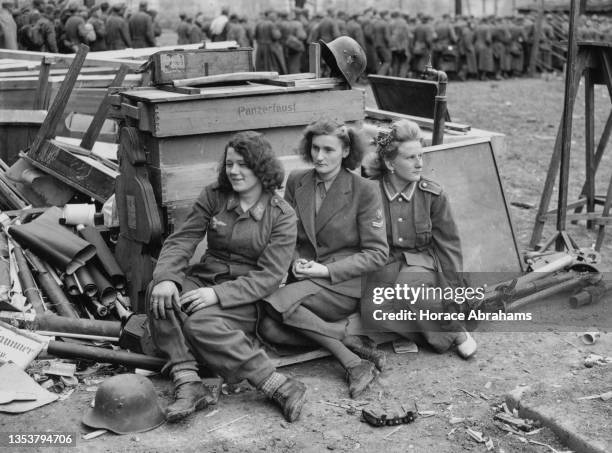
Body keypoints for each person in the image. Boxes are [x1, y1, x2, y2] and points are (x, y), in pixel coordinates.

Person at [148, 131, 306, 423]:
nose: (234, 171)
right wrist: (167, 277)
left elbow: (270, 276)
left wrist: (217, 295)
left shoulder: (282, 215)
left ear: (262, 168)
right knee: (159, 292)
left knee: (199, 324)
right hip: (205, 277)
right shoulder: (215, 195)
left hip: (247, 295)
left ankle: (278, 384)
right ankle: (189, 382)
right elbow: (182, 240)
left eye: (243, 164)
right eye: (230, 163)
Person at [261, 120, 389, 399]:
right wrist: (295, 260)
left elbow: (377, 254)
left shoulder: (364, 189)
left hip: (343, 284)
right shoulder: (297, 180)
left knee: (273, 303)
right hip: (304, 280)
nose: (320, 156)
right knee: (268, 328)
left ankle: (352, 363)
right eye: (315, 148)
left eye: (329, 149)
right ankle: (347, 343)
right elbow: (287, 234)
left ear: (345, 152)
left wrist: (325, 270)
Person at [362, 119, 477, 359]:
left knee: (408, 286)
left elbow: (449, 247)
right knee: (372, 310)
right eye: (410, 158)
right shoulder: (370, 192)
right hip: (387, 264)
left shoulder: (432, 194)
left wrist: (452, 292)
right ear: (390, 163)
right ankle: (431, 329)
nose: (419, 164)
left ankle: (455, 331)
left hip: (424, 262)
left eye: (420, 156)